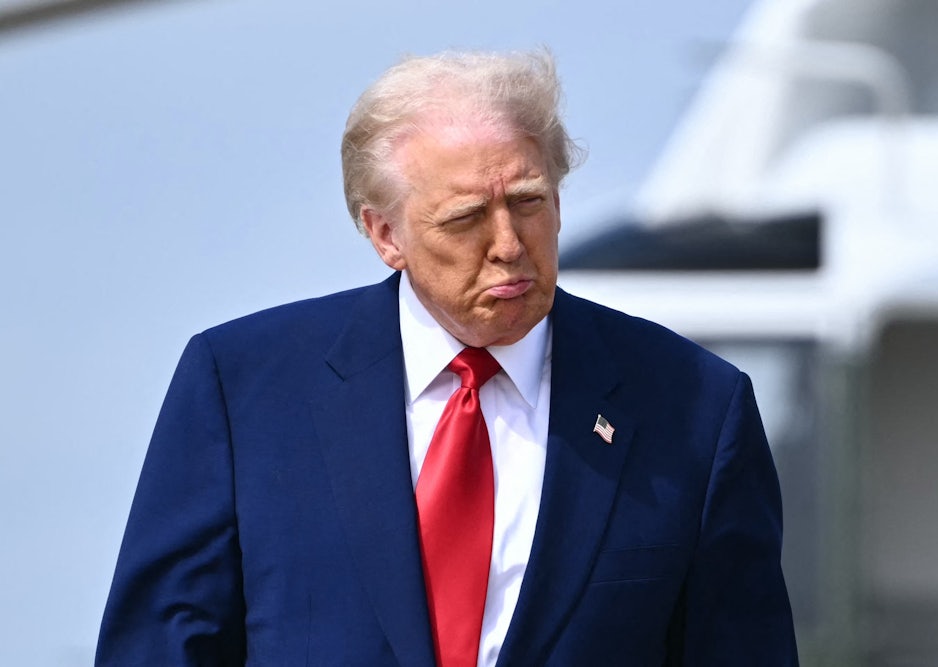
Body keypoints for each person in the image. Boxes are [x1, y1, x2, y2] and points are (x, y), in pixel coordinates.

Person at [96, 49, 798, 666]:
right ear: (384, 233)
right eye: (465, 217)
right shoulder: (242, 389)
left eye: (529, 202)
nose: (508, 243)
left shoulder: (694, 409)